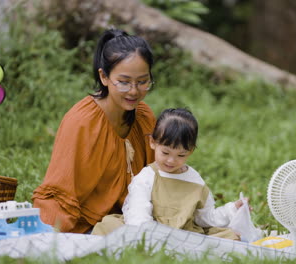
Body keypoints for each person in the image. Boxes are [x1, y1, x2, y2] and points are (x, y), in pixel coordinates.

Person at [32, 28, 157, 233]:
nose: (134, 91)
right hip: (85, 226)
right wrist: (49, 237)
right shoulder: (83, 121)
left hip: (131, 220)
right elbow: (60, 191)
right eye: (124, 82)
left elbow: (157, 176)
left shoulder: (143, 116)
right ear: (104, 77)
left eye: (143, 82)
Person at [92, 108, 249, 240]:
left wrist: (232, 209)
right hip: (149, 230)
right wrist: (148, 237)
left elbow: (205, 218)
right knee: (111, 227)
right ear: (153, 143)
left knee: (229, 236)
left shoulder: (195, 181)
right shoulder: (147, 177)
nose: (171, 160)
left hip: (184, 233)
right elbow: (138, 213)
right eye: (165, 152)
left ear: (191, 151)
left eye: (181, 155)